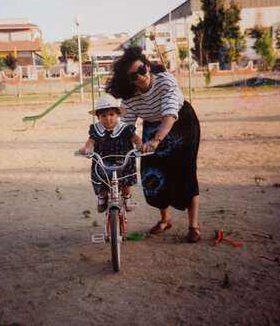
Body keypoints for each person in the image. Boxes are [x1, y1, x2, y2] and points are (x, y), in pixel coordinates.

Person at [106, 46, 201, 242]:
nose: (140, 78)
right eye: (133, 77)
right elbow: (125, 126)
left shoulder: (165, 81)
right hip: (152, 126)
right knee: (153, 172)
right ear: (128, 80)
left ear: (148, 66)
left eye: (142, 70)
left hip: (181, 123)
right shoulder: (130, 97)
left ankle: (194, 226)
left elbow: (169, 113)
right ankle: (165, 220)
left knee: (186, 172)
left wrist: (156, 139)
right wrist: (114, 143)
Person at [78, 95, 144, 213]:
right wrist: (86, 149)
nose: (108, 118)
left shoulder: (124, 128)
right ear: (98, 117)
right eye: (103, 115)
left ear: (118, 115)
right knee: (102, 183)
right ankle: (102, 198)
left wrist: (140, 145)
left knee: (125, 183)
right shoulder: (96, 129)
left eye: (111, 114)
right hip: (103, 161)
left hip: (123, 161)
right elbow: (91, 141)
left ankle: (127, 198)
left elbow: (135, 138)